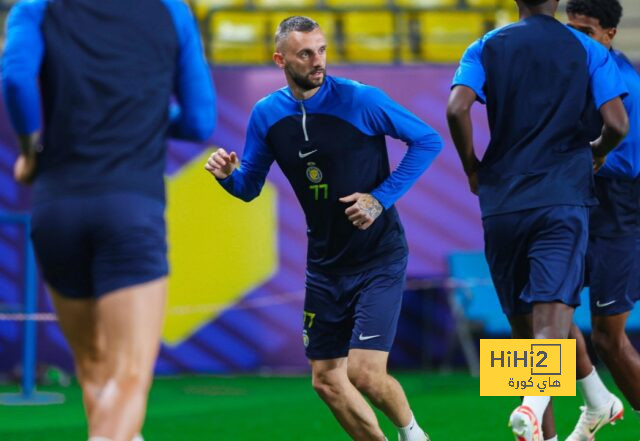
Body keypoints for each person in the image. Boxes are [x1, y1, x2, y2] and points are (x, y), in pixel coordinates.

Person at [205, 15, 441, 441]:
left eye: (322, 50)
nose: (318, 61)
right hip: (325, 265)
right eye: (306, 53)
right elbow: (248, 188)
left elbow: (428, 139)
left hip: (378, 256)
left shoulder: (361, 100)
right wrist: (227, 176)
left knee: (365, 373)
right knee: (327, 380)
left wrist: (380, 198)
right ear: (280, 59)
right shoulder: (266, 115)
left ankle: (414, 435)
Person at [2, 1, 216, 440]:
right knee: (130, 374)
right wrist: (144, 107)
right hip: (130, 212)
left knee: (94, 368)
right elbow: (199, 120)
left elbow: (15, 78)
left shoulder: (35, 6)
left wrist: (29, 151)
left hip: (55, 210)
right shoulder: (171, 10)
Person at [446, 0, 629, 440]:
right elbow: (617, 125)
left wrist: (473, 167)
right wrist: (595, 153)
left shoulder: (484, 45)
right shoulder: (587, 48)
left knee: (523, 329)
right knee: (553, 313)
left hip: (501, 200)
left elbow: (456, 109)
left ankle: (579, 408)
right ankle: (558, 403)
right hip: (562, 197)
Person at [562, 1, 640, 439]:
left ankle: (597, 400)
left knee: (609, 339)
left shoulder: (624, 82)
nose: (574, 38)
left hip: (614, 212)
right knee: (532, 316)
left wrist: (573, 156)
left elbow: (625, 165)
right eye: (568, 28)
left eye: (585, 31)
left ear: (609, 33)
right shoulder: (557, 72)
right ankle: (589, 402)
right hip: (558, 206)